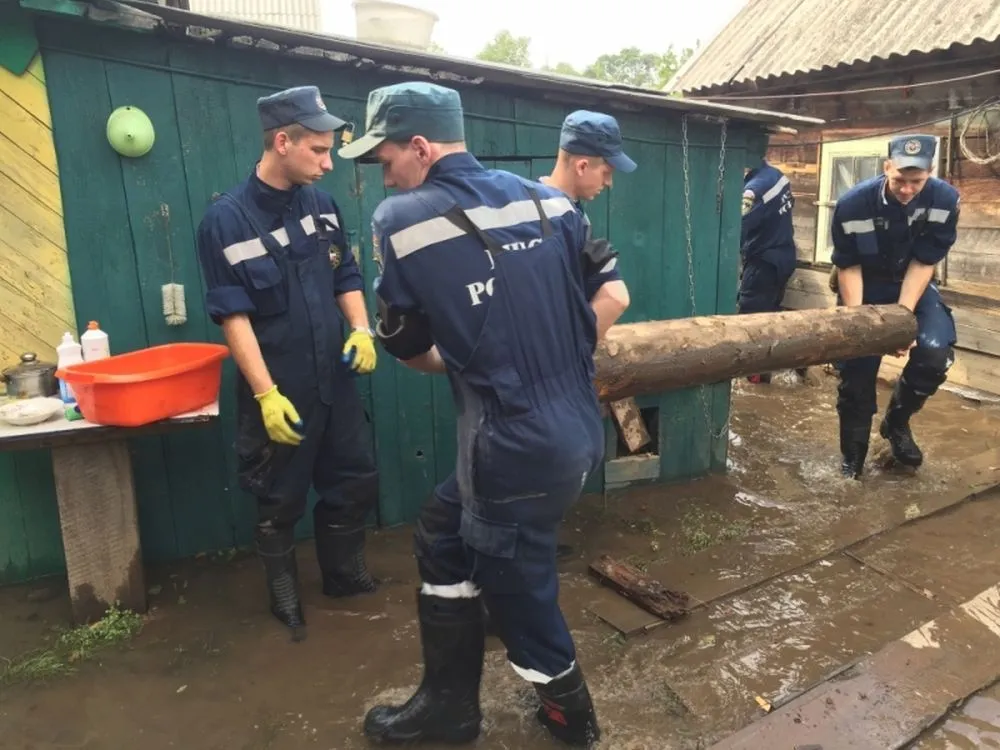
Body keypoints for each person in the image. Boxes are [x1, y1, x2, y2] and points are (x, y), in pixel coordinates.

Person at [338, 81, 631, 747]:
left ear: (419, 146)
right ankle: (450, 699)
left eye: (384, 161)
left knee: (520, 589)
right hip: (577, 425)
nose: (383, 179)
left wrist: (473, 356)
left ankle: (569, 719)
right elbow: (605, 296)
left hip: (509, 444)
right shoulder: (549, 201)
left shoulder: (402, 222)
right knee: (444, 530)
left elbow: (410, 349)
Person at [195, 85, 381, 642]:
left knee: (353, 480)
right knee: (279, 499)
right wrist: (264, 394)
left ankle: (344, 577)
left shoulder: (322, 206)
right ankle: (285, 598)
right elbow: (233, 318)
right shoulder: (224, 222)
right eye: (319, 151)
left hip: (336, 380)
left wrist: (362, 329)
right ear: (282, 142)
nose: (328, 163)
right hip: (280, 388)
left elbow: (344, 274)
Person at [831, 134, 959, 479]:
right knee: (857, 370)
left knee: (935, 353)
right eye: (899, 179)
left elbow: (924, 262)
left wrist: (900, 322)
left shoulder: (945, 200)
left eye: (915, 181)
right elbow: (849, 265)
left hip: (912, 285)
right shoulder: (853, 204)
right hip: (864, 286)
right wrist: (863, 326)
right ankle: (852, 460)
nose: (906, 189)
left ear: (930, 173)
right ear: (886, 167)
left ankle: (896, 423)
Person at [739, 148, 798, 383]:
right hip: (784, 255)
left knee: (751, 320)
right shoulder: (775, 175)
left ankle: (754, 377)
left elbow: (734, 228)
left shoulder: (754, 189)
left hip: (764, 260)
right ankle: (769, 370)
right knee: (770, 316)